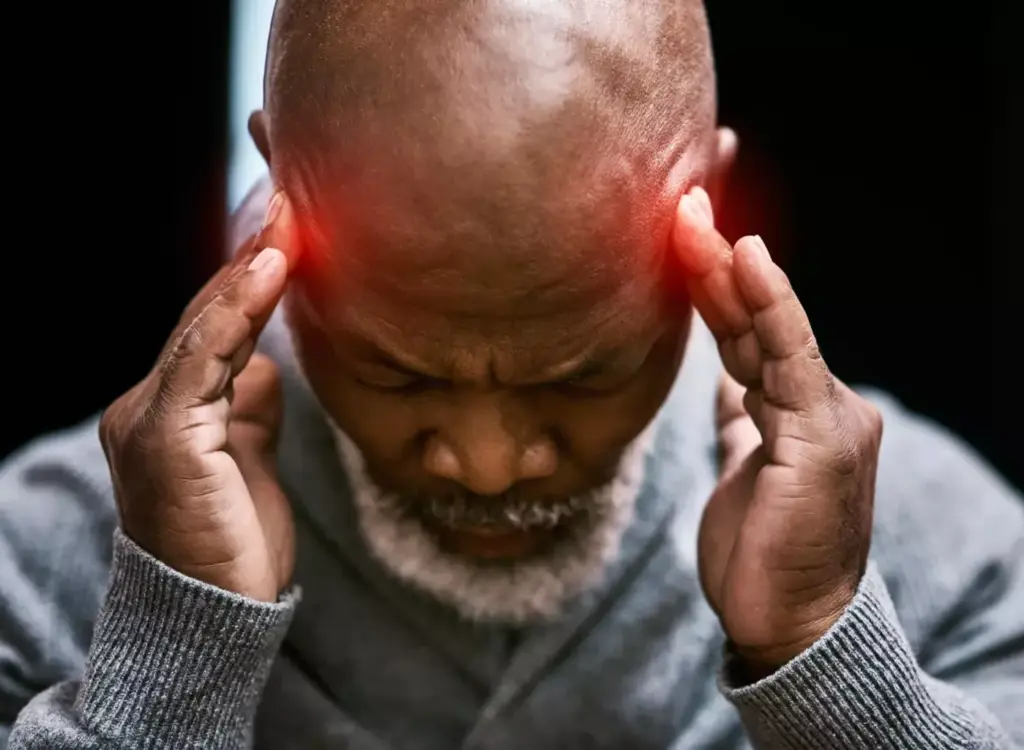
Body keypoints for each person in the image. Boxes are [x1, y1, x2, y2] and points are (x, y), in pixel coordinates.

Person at [3, 0, 1022, 747]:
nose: (487, 468)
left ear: (705, 199)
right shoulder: (45, 561)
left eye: (579, 379)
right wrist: (172, 656)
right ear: (277, 186)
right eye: (396, 377)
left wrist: (824, 654)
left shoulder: (945, 556)